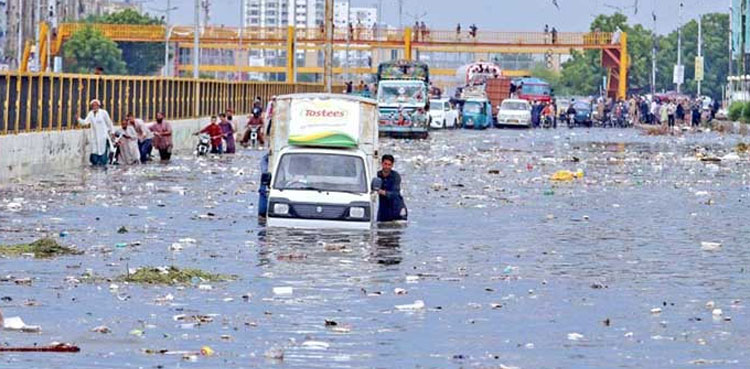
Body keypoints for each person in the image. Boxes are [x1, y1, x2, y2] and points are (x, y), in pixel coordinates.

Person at [77, 99, 114, 167]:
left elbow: (109, 122)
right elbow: (85, 122)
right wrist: (78, 119)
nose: (94, 107)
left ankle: (103, 166)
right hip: (94, 137)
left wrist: (112, 132)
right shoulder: (91, 114)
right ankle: (96, 166)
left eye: (96, 105)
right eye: (93, 105)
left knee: (103, 152)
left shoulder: (103, 113)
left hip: (102, 136)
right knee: (94, 153)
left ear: (98, 105)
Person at [377, 155, 407, 222]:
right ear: (381, 163)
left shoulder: (395, 176)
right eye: (385, 164)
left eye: (389, 165)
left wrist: (382, 192)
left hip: (397, 209)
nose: (387, 167)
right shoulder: (377, 175)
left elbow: (395, 193)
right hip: (383, 211)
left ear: (392, 165)